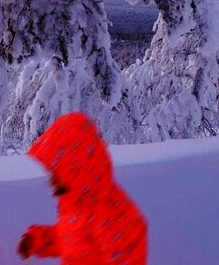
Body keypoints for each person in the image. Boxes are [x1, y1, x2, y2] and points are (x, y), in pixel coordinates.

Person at [18, 112, 147, 265]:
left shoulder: (109, 213)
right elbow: (72, 240)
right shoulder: (76, 203)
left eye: (57, 173)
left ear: (74, 170)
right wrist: (37, 240)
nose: (51, 181)